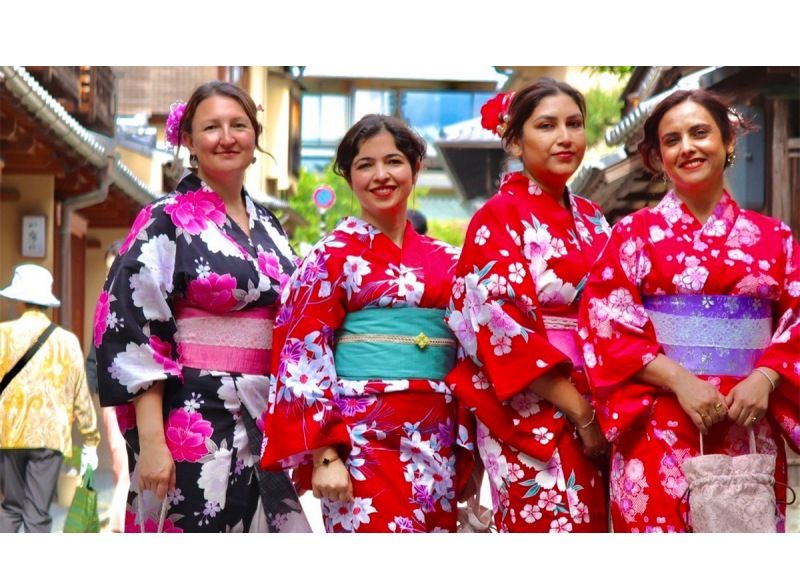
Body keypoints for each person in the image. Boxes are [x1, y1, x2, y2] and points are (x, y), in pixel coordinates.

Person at [578, 89, 800, 532]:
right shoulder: (632, 234)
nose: (687, 148)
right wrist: (681, 381)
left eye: (700, 133)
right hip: (658, 426)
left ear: (729, 142)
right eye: (672, 139)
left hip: (746, 423)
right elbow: (605, 325)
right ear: (659, 156)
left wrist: (765, 377)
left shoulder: (775, 238)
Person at [95, 81, 309, 532]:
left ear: (255, 136)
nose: (226, 137)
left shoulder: (269, 224)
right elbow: (135, 327)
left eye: (238, 125)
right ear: (189, 140)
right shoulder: (165, 217)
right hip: (192, 414)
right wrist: (152, 442)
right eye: (211, 127)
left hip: (262, 412)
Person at [260, 114, 474, 532]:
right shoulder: (331, 256)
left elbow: (472, 349)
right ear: (348, 176)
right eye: (365, 165)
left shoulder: (449, 261)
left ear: (416, 168)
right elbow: (301, 352)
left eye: (393, 161)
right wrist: (325, 455)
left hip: (437, 438)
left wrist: (472, 449)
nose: (381, 175)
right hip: (360, 445)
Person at [445, 79, 610, 532]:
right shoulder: (497, 216)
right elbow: (497, 327)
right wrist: (580, 411)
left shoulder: (595, 218)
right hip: (534, 411)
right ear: (515, 140)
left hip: (602, 402)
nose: (565, 137)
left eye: (574, 124)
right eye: (546, 125)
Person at [0, 264, 100, 532]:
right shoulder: (66, 341)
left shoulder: (2, 335)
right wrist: (91, 439)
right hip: (50, 436)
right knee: (37, 513)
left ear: (19, 299)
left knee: (10, 507)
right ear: (46, 302)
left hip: (9, 433)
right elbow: (81, 395)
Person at [85, 239, 129, 532]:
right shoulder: (104, 302)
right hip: (111, 397)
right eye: (107, 270)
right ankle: (123, 516)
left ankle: (120, 522)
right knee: (118, 459)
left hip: (137, 393)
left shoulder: (136, 297)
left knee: (129, 461)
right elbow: (94, 353)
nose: (109, 275)